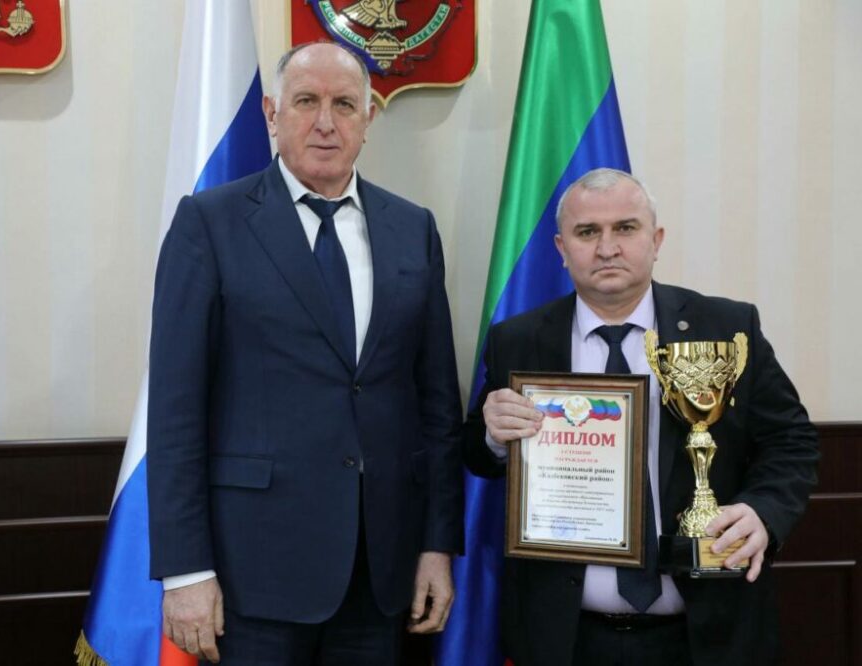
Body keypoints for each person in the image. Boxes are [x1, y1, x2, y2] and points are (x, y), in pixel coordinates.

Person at [146, 42, 464, 665]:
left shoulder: (413, 228)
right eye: (306, 102)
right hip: (251, 574)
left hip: (379, 573)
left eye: (344, 104)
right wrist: (185, 570)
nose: (325, 122)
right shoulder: (210, 223)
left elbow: (436, 407)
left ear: (368, 118)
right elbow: (176, 409)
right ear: (272, 113)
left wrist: (436, 545)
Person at [463, 168, 819, 666]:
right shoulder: (518, 340)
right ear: (561, 248)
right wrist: (492, 436)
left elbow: (791, 440)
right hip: (567, 638)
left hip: (707, 636)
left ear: (656, 240)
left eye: (626, 228)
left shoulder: (727, 327)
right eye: (588, 232)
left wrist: (763, 511)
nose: (607, 248)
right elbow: (477, 452)